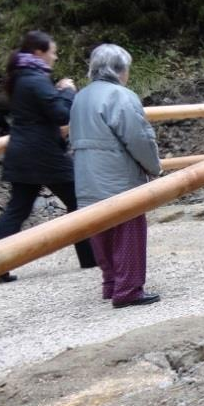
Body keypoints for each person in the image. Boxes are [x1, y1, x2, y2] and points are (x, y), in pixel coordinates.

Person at [0, 30, 95, 282]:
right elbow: (60, 114)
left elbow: (44, 109)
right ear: (39, 53)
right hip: (43, 153)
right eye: (53, 52)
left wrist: (57, 92)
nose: (55, 57)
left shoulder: (23, 77)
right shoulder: (35, 79)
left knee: (18, 208)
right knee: (78, 200)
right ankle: (90, 257)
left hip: (23, 151)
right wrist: (68, 91)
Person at [70, 44, 162, 308]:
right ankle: (129, 289)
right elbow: (139, 138)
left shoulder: (81, 97)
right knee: (128, 229)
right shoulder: (120, 96)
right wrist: (153, 167)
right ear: (120, 70)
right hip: (117, 175)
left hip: (87, 174)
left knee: (101, 229)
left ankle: (111, 283)